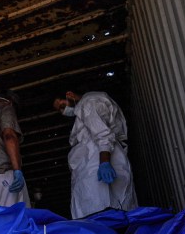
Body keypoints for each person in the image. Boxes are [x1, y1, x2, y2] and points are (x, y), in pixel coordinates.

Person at [53, 90, 137, 218]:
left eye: (62, 106)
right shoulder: (90, 106)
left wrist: (104, 163)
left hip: (96, 161)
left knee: (99, 212)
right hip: (103, 158)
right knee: (119, 212)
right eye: (60, 110)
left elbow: (103, 135)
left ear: (69, 95)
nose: (63, 111)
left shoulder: (88, 103)